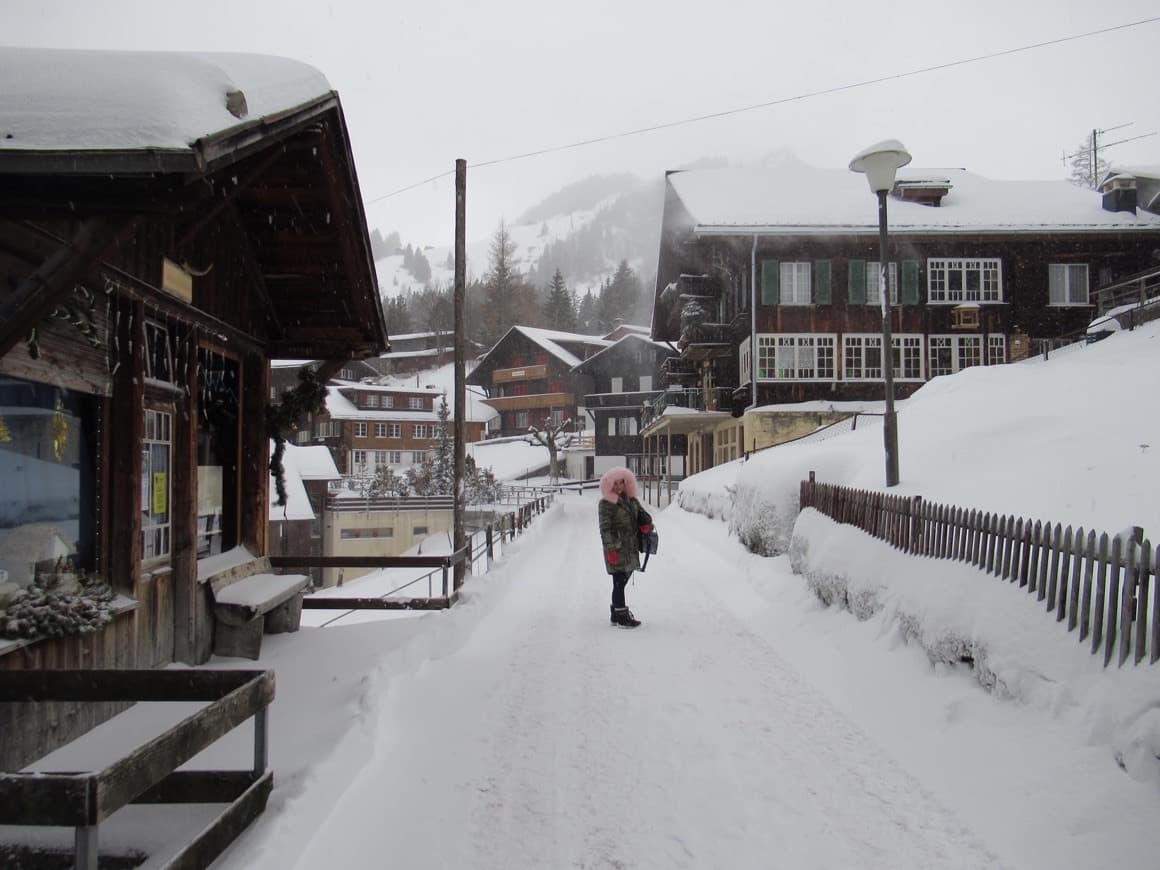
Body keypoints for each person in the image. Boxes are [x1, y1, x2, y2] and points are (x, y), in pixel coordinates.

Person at [597, 466, 650, 628]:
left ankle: (615, 612)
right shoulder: (606, 504)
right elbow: (605, 529)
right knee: (619, 581)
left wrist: (645, 522)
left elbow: (644, 517)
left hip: (631, 547)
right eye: (615, 483)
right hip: (617, 548)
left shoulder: (631, 500)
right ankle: (621, 614)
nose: (619, 486)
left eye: (622, 482)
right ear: (609, 485)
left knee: (623, 579)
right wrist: (611, 548)